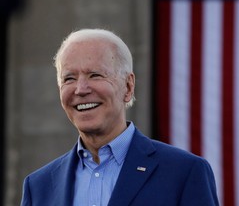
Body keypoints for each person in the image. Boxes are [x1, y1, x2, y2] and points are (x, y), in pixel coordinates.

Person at [21, 28, 219, 206]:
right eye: (69, 78)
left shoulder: (184, 173)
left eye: (95, 75)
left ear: (128, 86)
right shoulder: (38, 186)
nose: (80, 89)